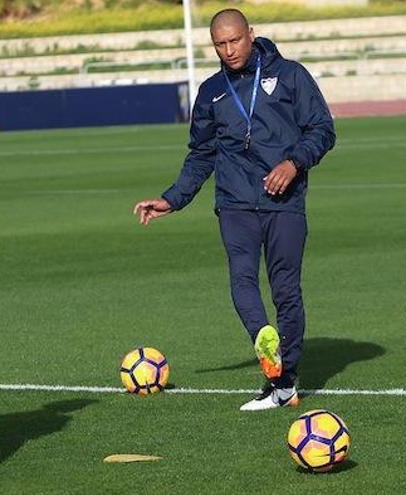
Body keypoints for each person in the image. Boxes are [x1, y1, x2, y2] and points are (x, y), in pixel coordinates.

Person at [133, 8, 335, 411]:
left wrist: (293, 163)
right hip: (235, 203)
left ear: (251, 34)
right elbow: (201, 154)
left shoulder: (291, 75)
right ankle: (266, 344)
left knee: (286, 290)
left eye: (235, 41)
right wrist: (173, 198)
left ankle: (285, 383)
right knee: (242, 277)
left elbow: (323, 129)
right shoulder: (211, 91)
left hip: (285, 201)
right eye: (220, 44)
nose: (228, 50)